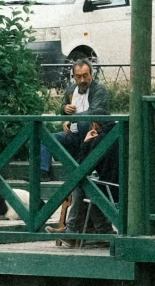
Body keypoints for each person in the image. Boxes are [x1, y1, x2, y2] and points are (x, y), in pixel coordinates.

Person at [46, 46, 119, 243]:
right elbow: (62, 110)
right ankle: (44, 171)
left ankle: (76, 231)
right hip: (84, 147)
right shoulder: (71, 90)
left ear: (91, 74)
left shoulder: (99, 92)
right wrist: (65, 111)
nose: (82, 80)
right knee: (50, 139)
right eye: (78, 77)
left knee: (81, 181)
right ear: (74, 77)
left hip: (98, 153)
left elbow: (96, 113)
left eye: (86, 75)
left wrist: (77, 120)